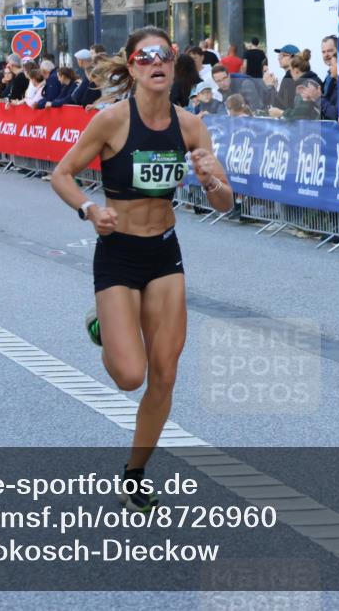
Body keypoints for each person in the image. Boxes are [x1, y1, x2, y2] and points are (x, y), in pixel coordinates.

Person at [49, 27, 233, 512]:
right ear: (132, 67)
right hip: (118, 252)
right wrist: (89, 210)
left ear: (173, 66)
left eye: (165, 55)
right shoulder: (111, 121)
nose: (157, 63)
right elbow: (61, 174)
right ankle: (101, 324)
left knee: (165, 374)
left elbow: (227, 202)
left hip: (164, 255)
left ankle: (135, 471)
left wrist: (211, 180)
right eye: (145, 56)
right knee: (129, 376)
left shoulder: (191, 126)